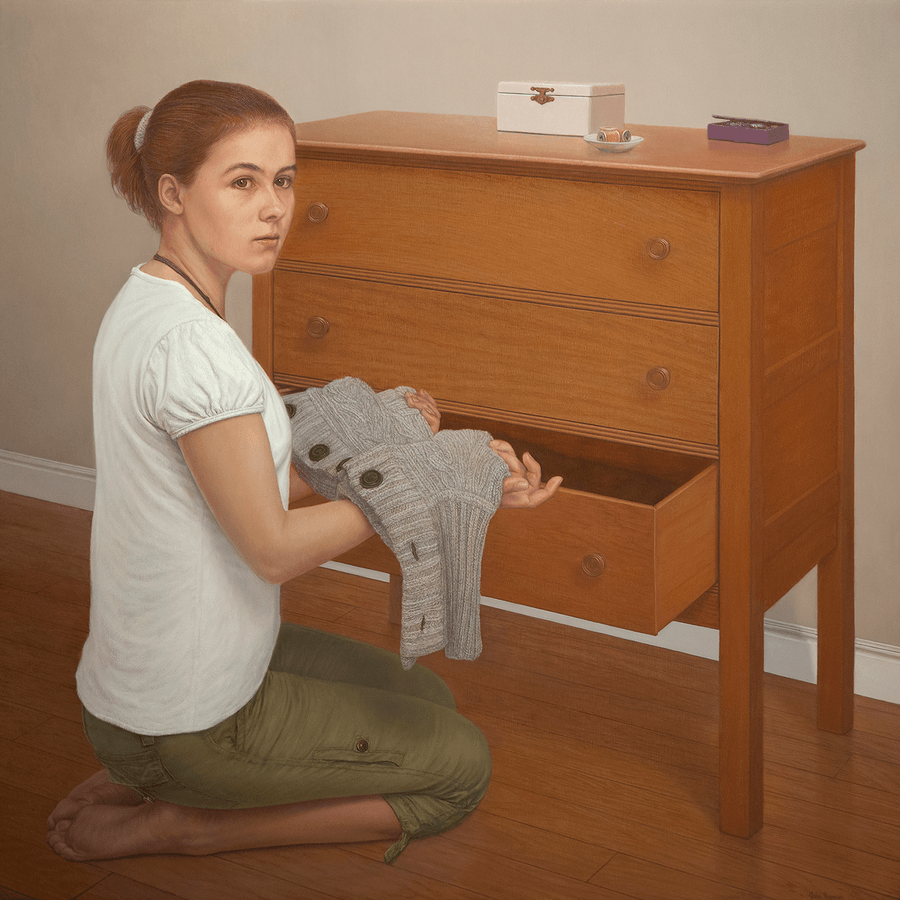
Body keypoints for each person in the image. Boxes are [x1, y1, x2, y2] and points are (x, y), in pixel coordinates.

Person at [45, 80, 562, 864]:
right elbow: (275, 549)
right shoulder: (194, 354)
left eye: (283, 179)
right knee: (460, 769)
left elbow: (256, 481)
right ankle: (183, 820)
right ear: (172, 192)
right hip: (189, 716)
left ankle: (138, 765)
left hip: (157, 679)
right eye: (243, 181)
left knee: (425, 698)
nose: (274, 207)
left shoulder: (156, 301)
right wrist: (427, 476)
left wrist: (432, 459)